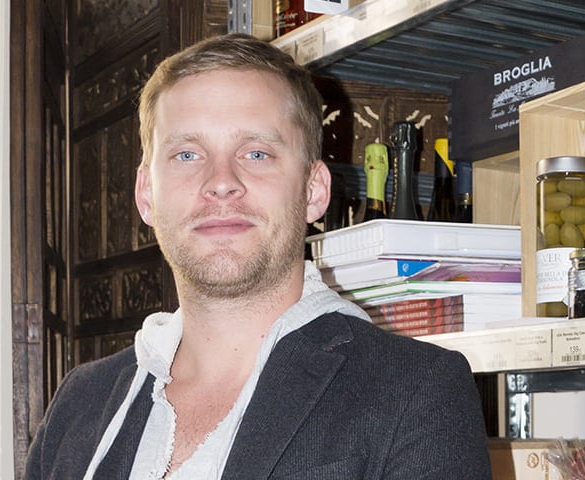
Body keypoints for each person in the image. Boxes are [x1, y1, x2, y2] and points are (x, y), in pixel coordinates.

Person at [24, 33, 492, 479]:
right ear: (146, 195)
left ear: (314, 190)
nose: (220, 181)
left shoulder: (415, 392)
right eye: (187, 154)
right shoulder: (79, 402)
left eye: (256, 153)